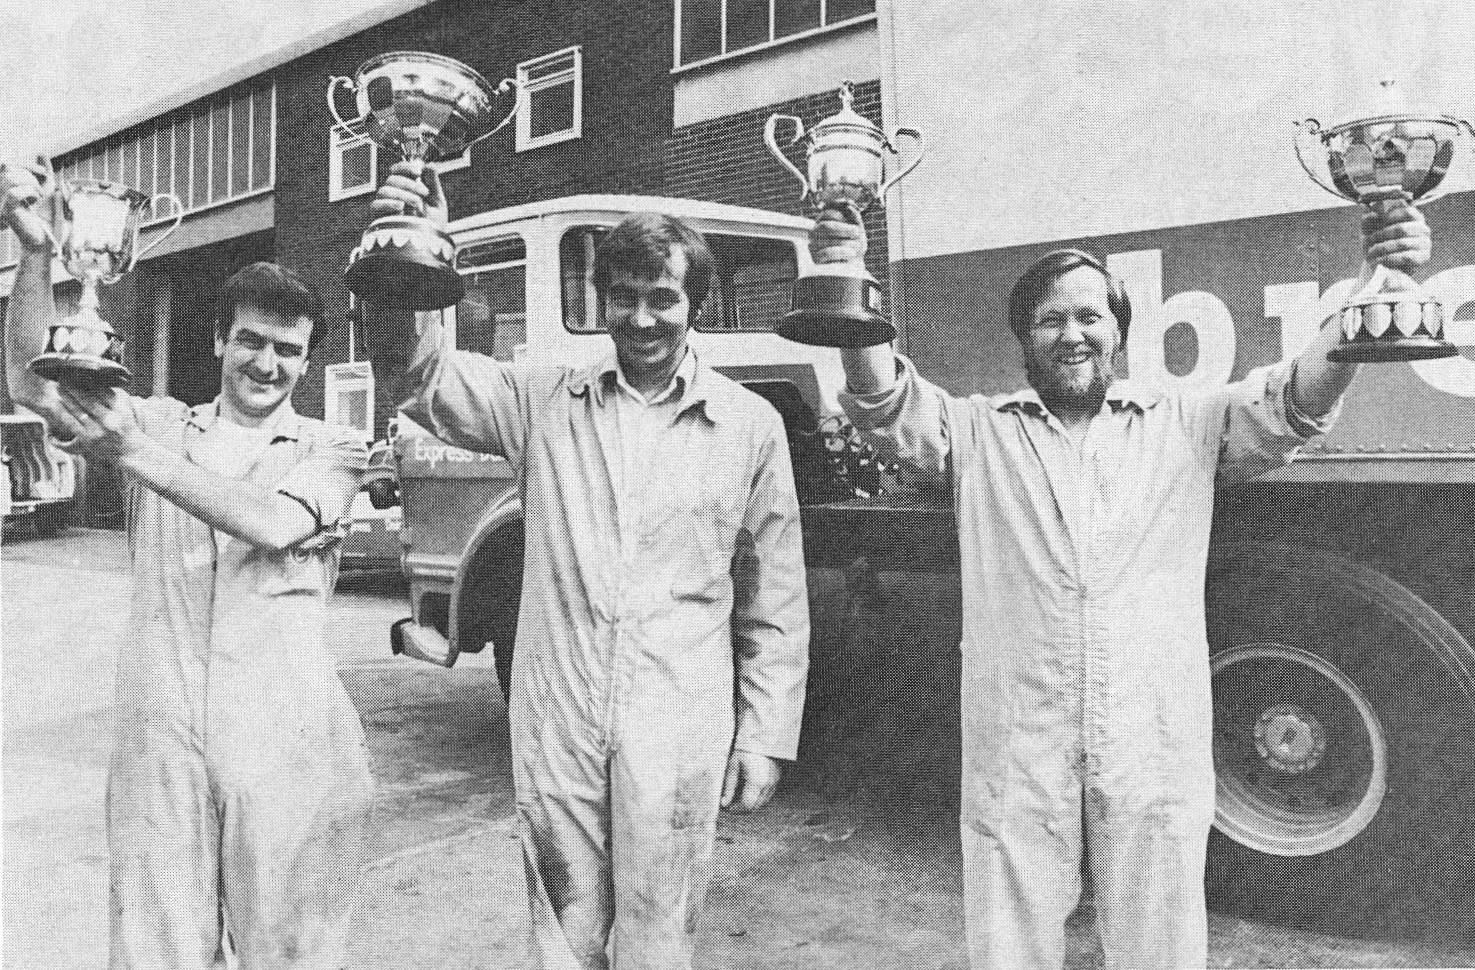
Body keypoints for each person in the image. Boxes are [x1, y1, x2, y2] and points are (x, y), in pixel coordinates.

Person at [809, 200, 1430, 969]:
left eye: (1089, 317)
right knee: (1007, 942)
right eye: (1049, 320)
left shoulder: (1187, 424)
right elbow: (883, 404)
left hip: (1150, 737)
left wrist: (1376, 285)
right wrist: (840, 270)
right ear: (1023, 339)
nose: (1071, 334)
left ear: (1118, 331)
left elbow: (1293, 400)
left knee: (1157, 946)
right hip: (1017, 741)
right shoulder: (977, 433)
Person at [374, 163, 809, 969]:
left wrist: (766, 732)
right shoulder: (543, 402)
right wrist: (420, 253)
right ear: (599, 299)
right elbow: (422, 377)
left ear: (695, 307)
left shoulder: (748, 426)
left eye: (663, 299)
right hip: (557, 704)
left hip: (677, 708)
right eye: (624, 297)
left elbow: (773, 593)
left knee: (659, 928)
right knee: (561, 928)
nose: (641, 319)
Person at [2, 159, 373, 970]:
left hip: (287, 738)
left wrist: (132, 454)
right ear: (217, 340)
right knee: (154, 951)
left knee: (291, 954)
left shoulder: (335, 449)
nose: (265, 364)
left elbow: (274, 525)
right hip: (160, 731)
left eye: (286, 350)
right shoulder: (164, 423)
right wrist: (35, 255)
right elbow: (32, 382)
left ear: (307, 361)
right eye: (250, 341)